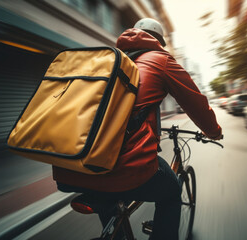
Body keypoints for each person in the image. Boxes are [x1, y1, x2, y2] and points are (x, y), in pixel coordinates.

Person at [53, 18, 222, 240]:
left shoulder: (107, 61)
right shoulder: (160, 59)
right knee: (171, 192)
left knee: (109, 203)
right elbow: (195, 103)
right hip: (124, 165)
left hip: (76, 165)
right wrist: (214, 131)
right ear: (159, 41)